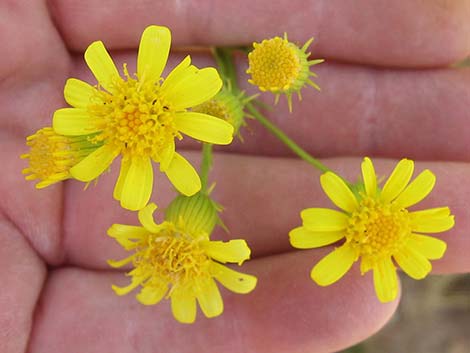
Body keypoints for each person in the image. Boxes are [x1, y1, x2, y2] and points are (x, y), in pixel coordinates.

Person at [1, 1, 469, 352]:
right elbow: (206, 114)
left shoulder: (195, 118)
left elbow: (210, 107)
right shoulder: (152, 143)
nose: (132, 119)